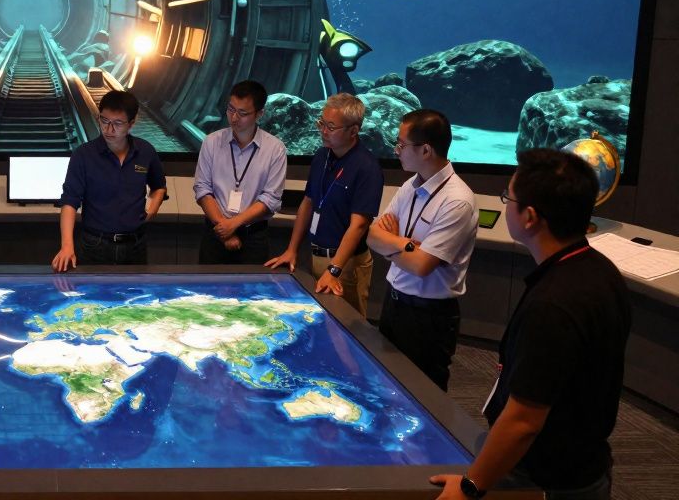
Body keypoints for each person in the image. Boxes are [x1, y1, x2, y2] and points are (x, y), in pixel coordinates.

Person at [430, 149, 630, 500]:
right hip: (587, 465)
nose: (506, 203)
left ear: (530, 217)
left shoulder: (553, 304)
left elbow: (524, 421)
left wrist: (469, 485)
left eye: (509, 197)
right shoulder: (600, 271)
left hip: (549, 482)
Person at [367, 108, 477, 391]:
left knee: (424, 394)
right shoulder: (410, 186)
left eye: (402, 145)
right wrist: (405, 245)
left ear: (426, 150)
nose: (397, 150)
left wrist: (391, 245)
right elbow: (372, 235)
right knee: (387, 385)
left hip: (429, 317)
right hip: (394, 303)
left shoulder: (457, 200)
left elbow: (421, 266)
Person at [265, 93, 383, 316]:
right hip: (316, 256)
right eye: (321, 123)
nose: (323, 131)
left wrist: (334, 269)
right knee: (321, 321)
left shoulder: (367, 167)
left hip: (345, 263)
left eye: (331, 126)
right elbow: (308, 202)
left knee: (348, 329)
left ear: (353, 131)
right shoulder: (322, 156)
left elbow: (358, 225)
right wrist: (292, 249)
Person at [52, 90, 167, 271]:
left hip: (135, 246)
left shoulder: (146, 152)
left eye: (117, 123)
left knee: (136, 298)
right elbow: (69, 202)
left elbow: (159, 186)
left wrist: (153, 208)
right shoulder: (83, 155)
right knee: (93, 298)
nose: (108, 129)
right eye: (104, 121)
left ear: (131, 124)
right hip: (95, 245)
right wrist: (67, 245)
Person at [192, 80, 288, 265]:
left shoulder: (275, 149)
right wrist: (224, 228)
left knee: (250, 292)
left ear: (259, 114)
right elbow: (202, 188)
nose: (234, 118)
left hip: (253, 236)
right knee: (209, 291)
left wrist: (233, 224)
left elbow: (270, 199)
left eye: (243, 113)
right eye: (230, 109)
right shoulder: (211, 142)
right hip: (216, 231)